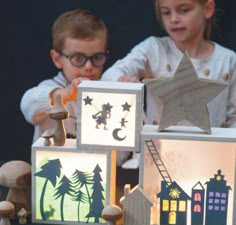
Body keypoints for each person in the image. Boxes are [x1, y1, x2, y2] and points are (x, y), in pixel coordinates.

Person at [101, 0, 236, 168]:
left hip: (207, 161)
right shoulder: (153, 49)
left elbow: (233, 120)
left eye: (184, 10)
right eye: (166, 12)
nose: (174, 19)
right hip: (156, 159)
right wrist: (123, 82)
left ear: (208, 9)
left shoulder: (228, 61)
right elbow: (109, 76)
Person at [20, 9, 109, 142]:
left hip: (98, 161)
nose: (89, 66)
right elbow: (28, 105)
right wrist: (66, 94)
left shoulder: (109, 92)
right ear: (57, 59)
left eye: (97, 58)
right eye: (78, 58)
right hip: (51, 162)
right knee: (16, 164)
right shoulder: (50, 88)